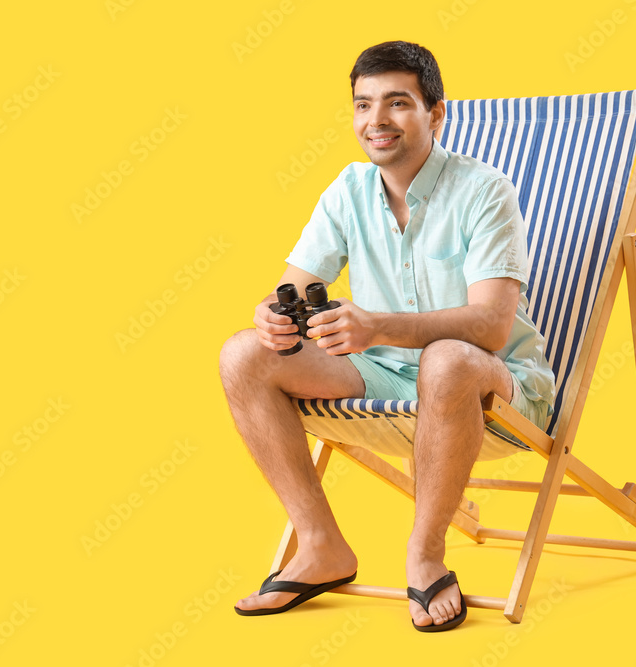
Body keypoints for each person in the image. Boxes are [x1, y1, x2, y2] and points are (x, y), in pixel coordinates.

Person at [219, 40, 555, 632]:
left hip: (492, 386)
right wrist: (270, 313)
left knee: (448, 358)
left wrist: (376, 326)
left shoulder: (485, 191)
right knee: (244, 353)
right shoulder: (347, 190)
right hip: (385, 376)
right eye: (362, 105)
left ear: (436, 112)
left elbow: (492, 327)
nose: (376, 121)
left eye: (397, 103)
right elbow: (289, 290)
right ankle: (320, 544)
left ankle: (425, 556)